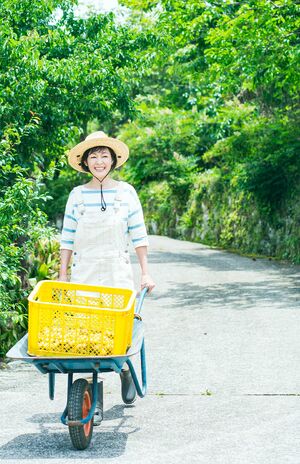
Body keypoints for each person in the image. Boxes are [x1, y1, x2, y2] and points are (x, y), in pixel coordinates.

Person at [59, 131, 155, 423]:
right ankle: (94, 400)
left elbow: (138, 235)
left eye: (104, 156)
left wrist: (145, 273)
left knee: (117, 334)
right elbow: (67, 238)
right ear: (85, 162)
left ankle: (125, 370)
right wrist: (63, 276)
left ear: (113, 161)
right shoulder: (77, 195)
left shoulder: (126, 193)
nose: (99, 161)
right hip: (85, 271)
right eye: (93, 156)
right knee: (87, 336)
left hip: (117, 270)